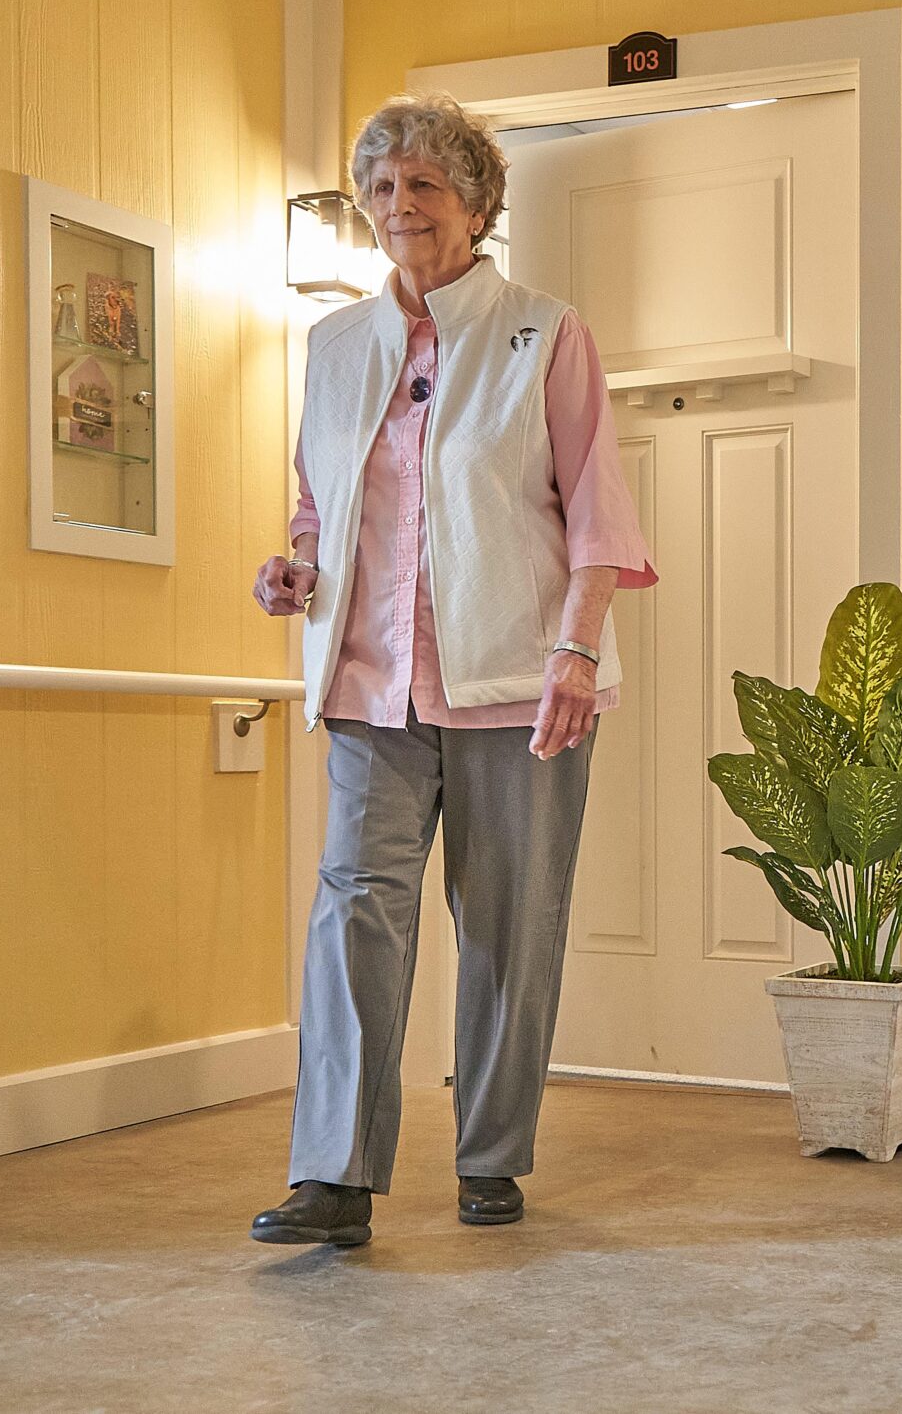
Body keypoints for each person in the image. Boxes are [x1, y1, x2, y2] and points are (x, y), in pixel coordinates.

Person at [246, 93, 656, 1245]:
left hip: (520, 684)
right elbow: (319, 501)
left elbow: (598, 513)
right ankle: (332, 1177)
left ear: (476, 204)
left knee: (509, 923)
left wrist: (576, 649)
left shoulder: (544, 333)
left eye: (424, 184)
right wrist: (297, 567)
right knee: (354, 917)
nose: (400, 205)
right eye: (382, 187)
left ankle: (491, 1154)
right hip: (368, 682)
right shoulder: (334, 347)